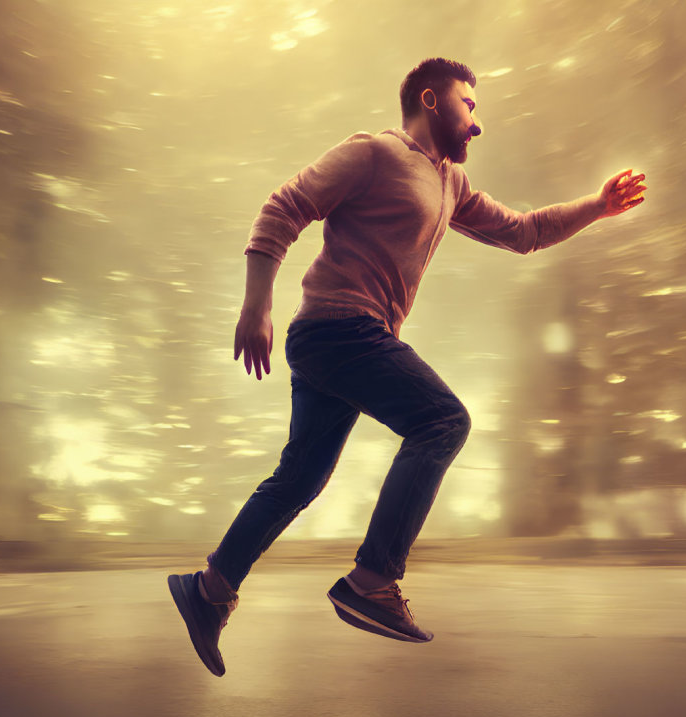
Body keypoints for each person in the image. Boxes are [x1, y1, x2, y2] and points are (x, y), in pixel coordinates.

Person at [169, 58, 647, 676]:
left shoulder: (451, 185)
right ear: (431, 100)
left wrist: (598, 207)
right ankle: (372, 580)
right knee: (442, 422)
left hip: (340, 341)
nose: (477, 123)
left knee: (300, 479)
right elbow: (282, 208)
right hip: (338, 329)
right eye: (469, 105)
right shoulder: (373, 153)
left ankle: (208, 592)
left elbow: (524, 232)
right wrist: (256, 306)